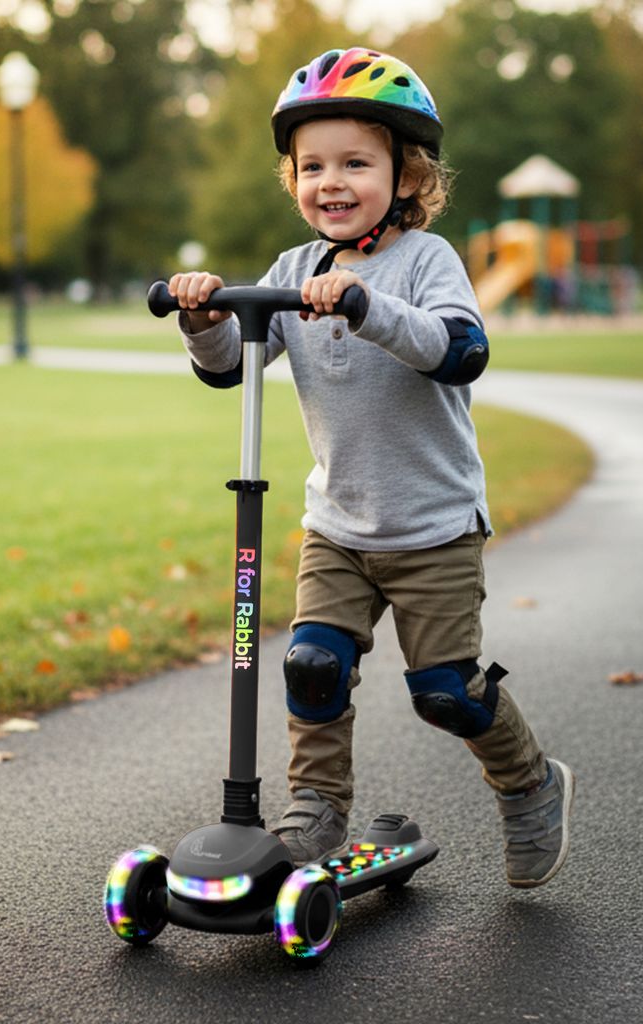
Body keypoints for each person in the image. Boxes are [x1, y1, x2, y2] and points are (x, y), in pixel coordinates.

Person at [169, 47, 574, 889]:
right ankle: (314, 803)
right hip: (340, 526)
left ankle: (529, 782)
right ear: (292, 179)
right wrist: (203, 315)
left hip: (433, 527)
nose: (333, 182)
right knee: (312, 663)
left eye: (357, 162)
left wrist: (367, 304)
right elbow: (226, 365)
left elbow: (459, 350)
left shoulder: (427, 262)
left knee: (446, 691)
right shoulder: (293, 271)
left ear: (407, 172)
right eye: (313, 166)